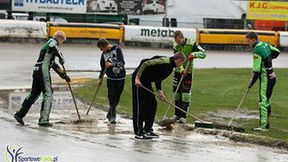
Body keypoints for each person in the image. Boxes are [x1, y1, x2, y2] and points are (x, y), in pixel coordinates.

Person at [14, 31, 70, 127]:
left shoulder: (48, 48)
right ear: (60, 38)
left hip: (36, 69)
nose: (62, 43)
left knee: (34, 93)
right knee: (48, 94)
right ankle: (44, 119)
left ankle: (20, 114)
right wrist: (61, 57)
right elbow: (55, 47)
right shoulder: (52, 42)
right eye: (62, 41)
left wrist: (63, 75)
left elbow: (52, 64)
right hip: (42, 71)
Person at [132, 52, 185, 139]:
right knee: (141, 106)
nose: (181, 65)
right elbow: (145, 63)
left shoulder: (170, 68)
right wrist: (137, 78)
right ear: (178, 60)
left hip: (147, 81)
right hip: (139, 80)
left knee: (152, 104)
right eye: (181, 63)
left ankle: (147, 129)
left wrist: (160, 92)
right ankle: (138, 132)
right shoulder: (164, 61)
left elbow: (158, 78)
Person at [246, 31, 279, 131]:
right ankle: (267, 124)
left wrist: (250, 84)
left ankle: (263, 126)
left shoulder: (257, 50)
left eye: (248, 41)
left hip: (266, 79)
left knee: (263, 101)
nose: (248, 44)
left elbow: (256, 72)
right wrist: (268, 60)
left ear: (253, 39)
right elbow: (277, 52)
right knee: (267, 101)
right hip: (272, 76)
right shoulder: (265, 44)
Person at [171, 30, 206, 123]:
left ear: (182, 38)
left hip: (188, 72)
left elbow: (203, 54)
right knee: (176, 94)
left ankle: (183, 116)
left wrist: (193, 54)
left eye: (179, 41)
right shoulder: (175, 45)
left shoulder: (192, 43)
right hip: (178, 71)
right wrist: (181, 69)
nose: (178, 43)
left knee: (185, 94)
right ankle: (176, 114)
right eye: (176, 41)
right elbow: (176, 59)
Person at [97, 38, 126, 124]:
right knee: (111, 98)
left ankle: (109, 113)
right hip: (110, 79)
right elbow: (103, 68)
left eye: (101, 48)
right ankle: (113, 118)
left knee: (117, 99)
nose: (101, 50)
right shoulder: (103, 55)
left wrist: (112, 64)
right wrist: (100, 78)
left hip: (120, 78)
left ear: (105, 46)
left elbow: (122, 62)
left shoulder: (117, 49)